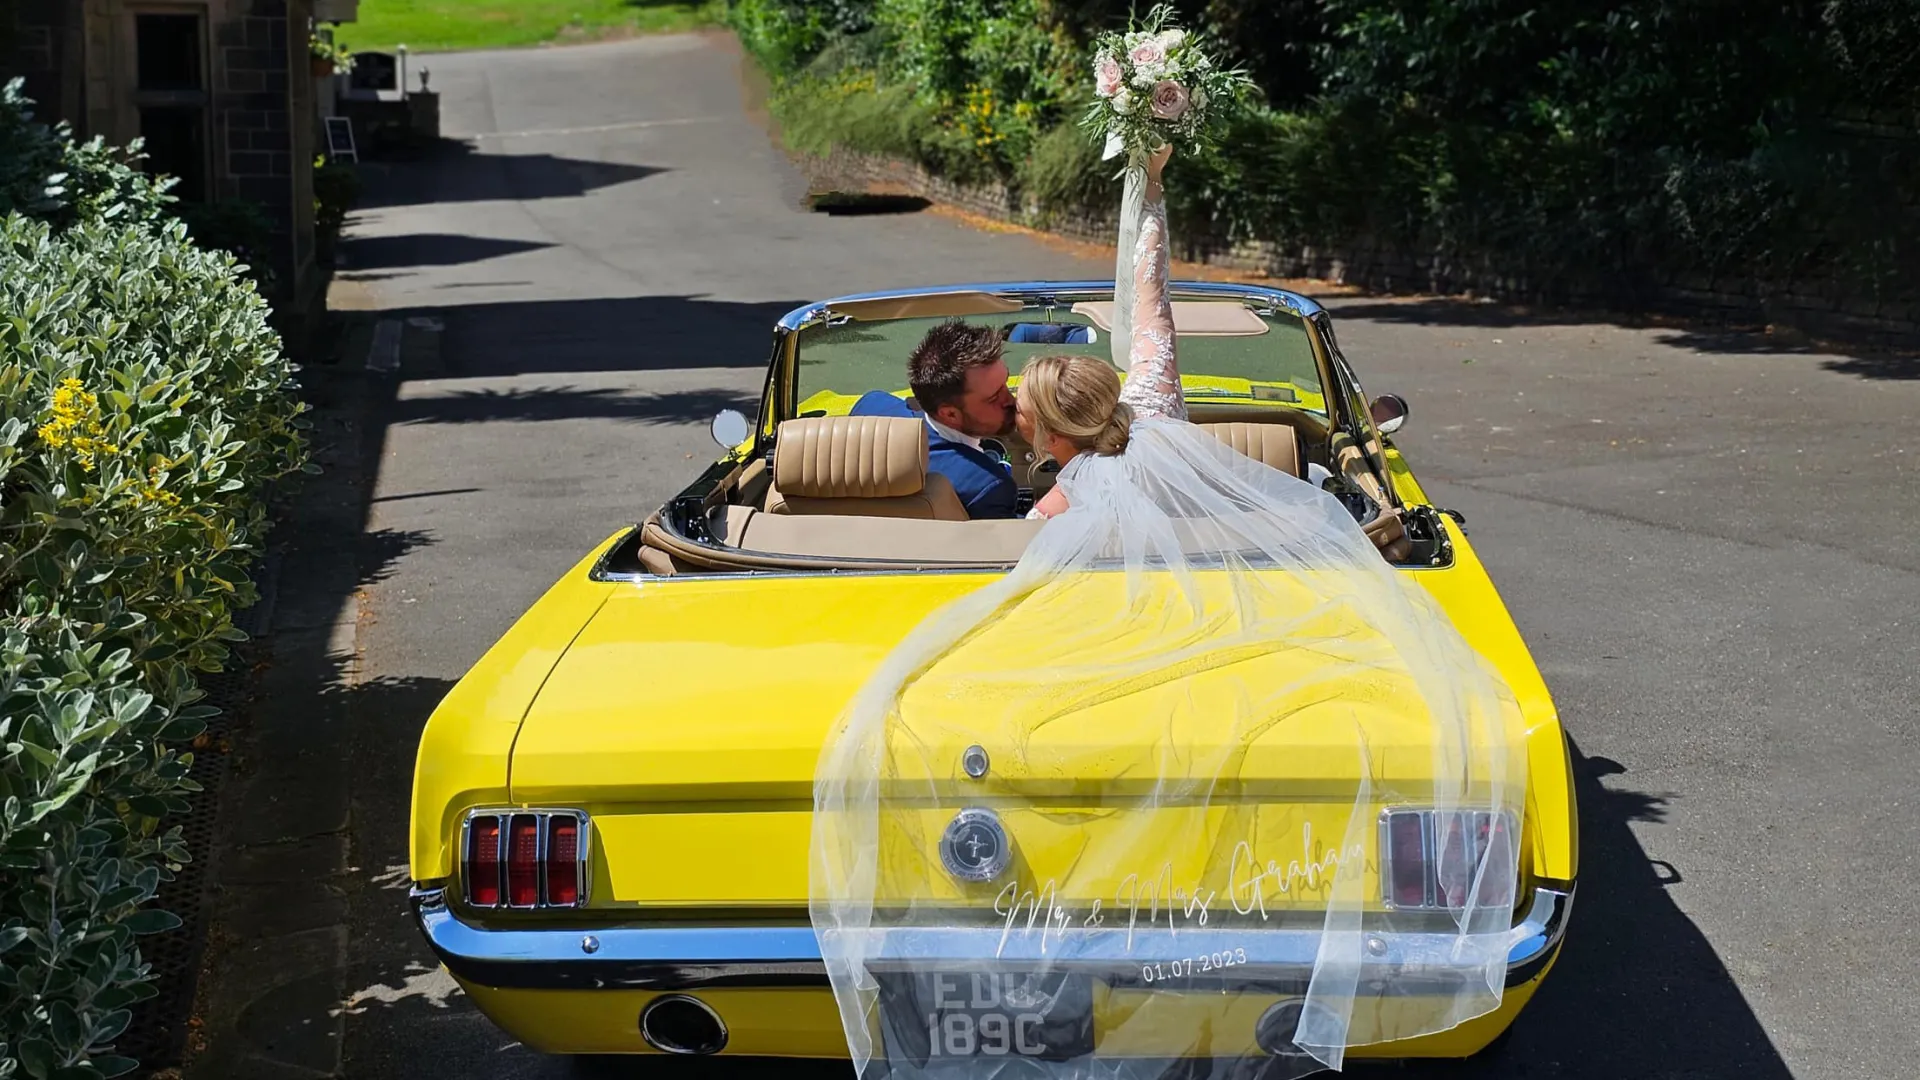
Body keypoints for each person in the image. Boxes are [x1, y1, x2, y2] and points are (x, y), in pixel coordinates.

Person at [1014, 146, 1412, 560]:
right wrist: (1151, 181)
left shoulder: (1047, 517)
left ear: (1052, 436)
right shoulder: (1153, 401)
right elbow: (1153, 302)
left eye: (1018, 407)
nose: (1011, 408)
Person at [848, 321, 1020, 519]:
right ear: (950, 414)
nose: (1011, 400)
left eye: (1006, 383)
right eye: (994, 398)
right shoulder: (987, 486)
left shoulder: (871, 406)